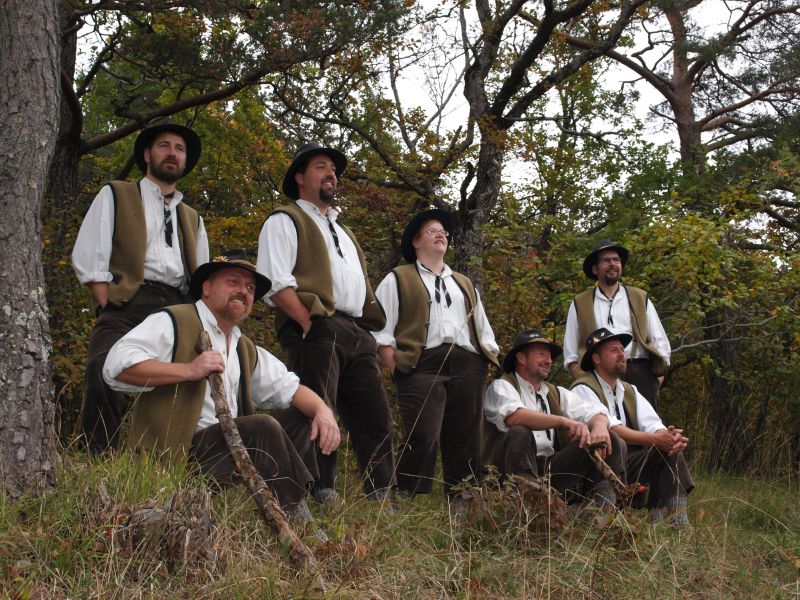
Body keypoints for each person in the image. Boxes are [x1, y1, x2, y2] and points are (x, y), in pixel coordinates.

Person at [103, 250, 340, 520]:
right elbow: (116, 365)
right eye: (233, 282)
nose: (243, 291)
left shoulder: (243, 347)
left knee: (304, 415)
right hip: (176, 458)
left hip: (227, 452)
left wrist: (323, 411)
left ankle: (300, 500)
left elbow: (291, 388)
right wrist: (188, 370)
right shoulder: (174, 320)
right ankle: (298, 518)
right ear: (206, 288)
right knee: (262, 427)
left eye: (250, 288)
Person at [256, 142, 395, 504]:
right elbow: (274, 281)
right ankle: (320, 489)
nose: (331, 174)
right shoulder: (285, 219)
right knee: (318, 409)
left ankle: (381, 495)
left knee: (375, 417)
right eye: (321, 167)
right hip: (316, 324)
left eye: (333, 169)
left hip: (356, 330)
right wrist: (308, 324)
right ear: (300, 178)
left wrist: (365, 332)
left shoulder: (344, 231)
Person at [72, 122, 209, 452]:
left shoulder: (192, 217)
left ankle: (169, 461)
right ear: (147, 155)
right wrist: (107, 302)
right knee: (102, 366)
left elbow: (202, 276)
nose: (172, 153)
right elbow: (90, 252)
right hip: (128, 299)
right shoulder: (117, 194)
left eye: (179, 149)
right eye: (164, 146)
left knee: (190, 379)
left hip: (178, 307)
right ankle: (97, 456)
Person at [372, 208, 500, 506]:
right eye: (432, 231)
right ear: (416, 241)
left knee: (466, 435)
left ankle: (462, 500)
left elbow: (482, 328)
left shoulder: (463, 283)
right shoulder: (398, 278)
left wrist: (485, 358)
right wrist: (396, 366)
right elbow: (380, 329)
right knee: (423, 431)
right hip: (421, 363)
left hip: (467, 364)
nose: (441, 235)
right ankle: (405, 494)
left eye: (443, 232)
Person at [483, 330, 624, 507]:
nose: (549, 361)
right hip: (509, 472)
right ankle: (525, 503)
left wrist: (600, 425)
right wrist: (563, 421)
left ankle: (599, 508)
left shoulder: (555, 392)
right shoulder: (502, 386)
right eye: (541, 354)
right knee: (519, 432)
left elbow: (594, 411)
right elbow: (514, 416)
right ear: (521, 358)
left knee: (609, 438)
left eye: (550, 356)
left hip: (550, 469)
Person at [571, 327, 694, 526]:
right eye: (614, 350)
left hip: (626, 465)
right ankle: (605, 515)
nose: (622, 354)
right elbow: (612, 428)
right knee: (614, 439)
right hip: (595, 470)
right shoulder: (582, 389)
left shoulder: (629, 390)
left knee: (670, 448)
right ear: (596, 358)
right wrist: (656, 439)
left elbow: (652, 423)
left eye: (622, 349)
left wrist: (669, 437)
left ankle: (674, 520)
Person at [563, 239, 670, 409]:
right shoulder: (580, 303)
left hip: (640, 373)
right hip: (598, 376)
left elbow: (660, 342)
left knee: (647, 425)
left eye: (616, 260)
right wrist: (586, 382)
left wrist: (655, 381)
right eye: (606, 260)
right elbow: (571, 355)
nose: (612, 264)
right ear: (595, 269)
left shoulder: (640, 297)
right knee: (604, 425)